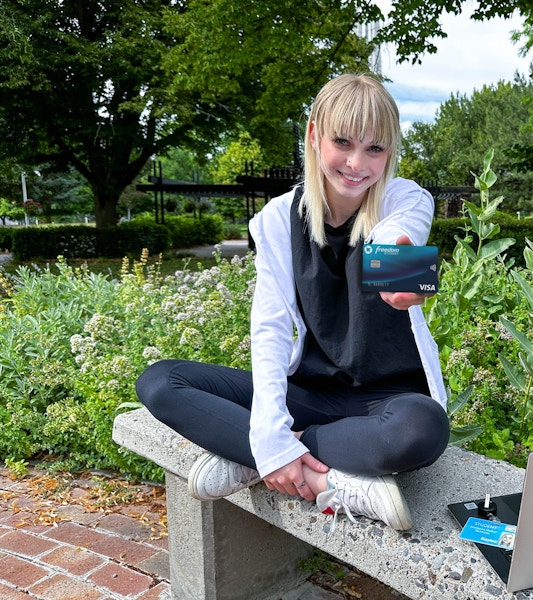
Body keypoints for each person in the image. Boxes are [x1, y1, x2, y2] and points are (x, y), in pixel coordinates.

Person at [135, 73, 450, 531]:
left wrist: (402, 271)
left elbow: (399, 240)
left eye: (375, 149)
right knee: (162, 381)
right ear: (313, 135)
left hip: (389, 403)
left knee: (424, 429)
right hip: (310, 395)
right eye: (342, 142)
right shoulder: (277, 220)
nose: (357, 163)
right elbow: (270, 330)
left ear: (390, 153)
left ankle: (261, 458)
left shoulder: (404, 199)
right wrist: (269, 432)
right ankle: (331, 483)